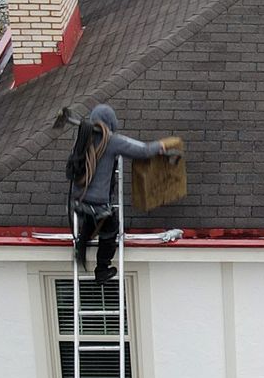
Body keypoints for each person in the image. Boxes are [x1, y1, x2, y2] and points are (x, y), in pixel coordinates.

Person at [65, 105, 180, 281]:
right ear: (111, 122)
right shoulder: (111, 141)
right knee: (110, 230)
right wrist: (161, 146)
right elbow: (142, 151)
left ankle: (81, 247)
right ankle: (102, 269)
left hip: (78, 201)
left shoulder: (83, 137)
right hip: (98, 204)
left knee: (90, 222)